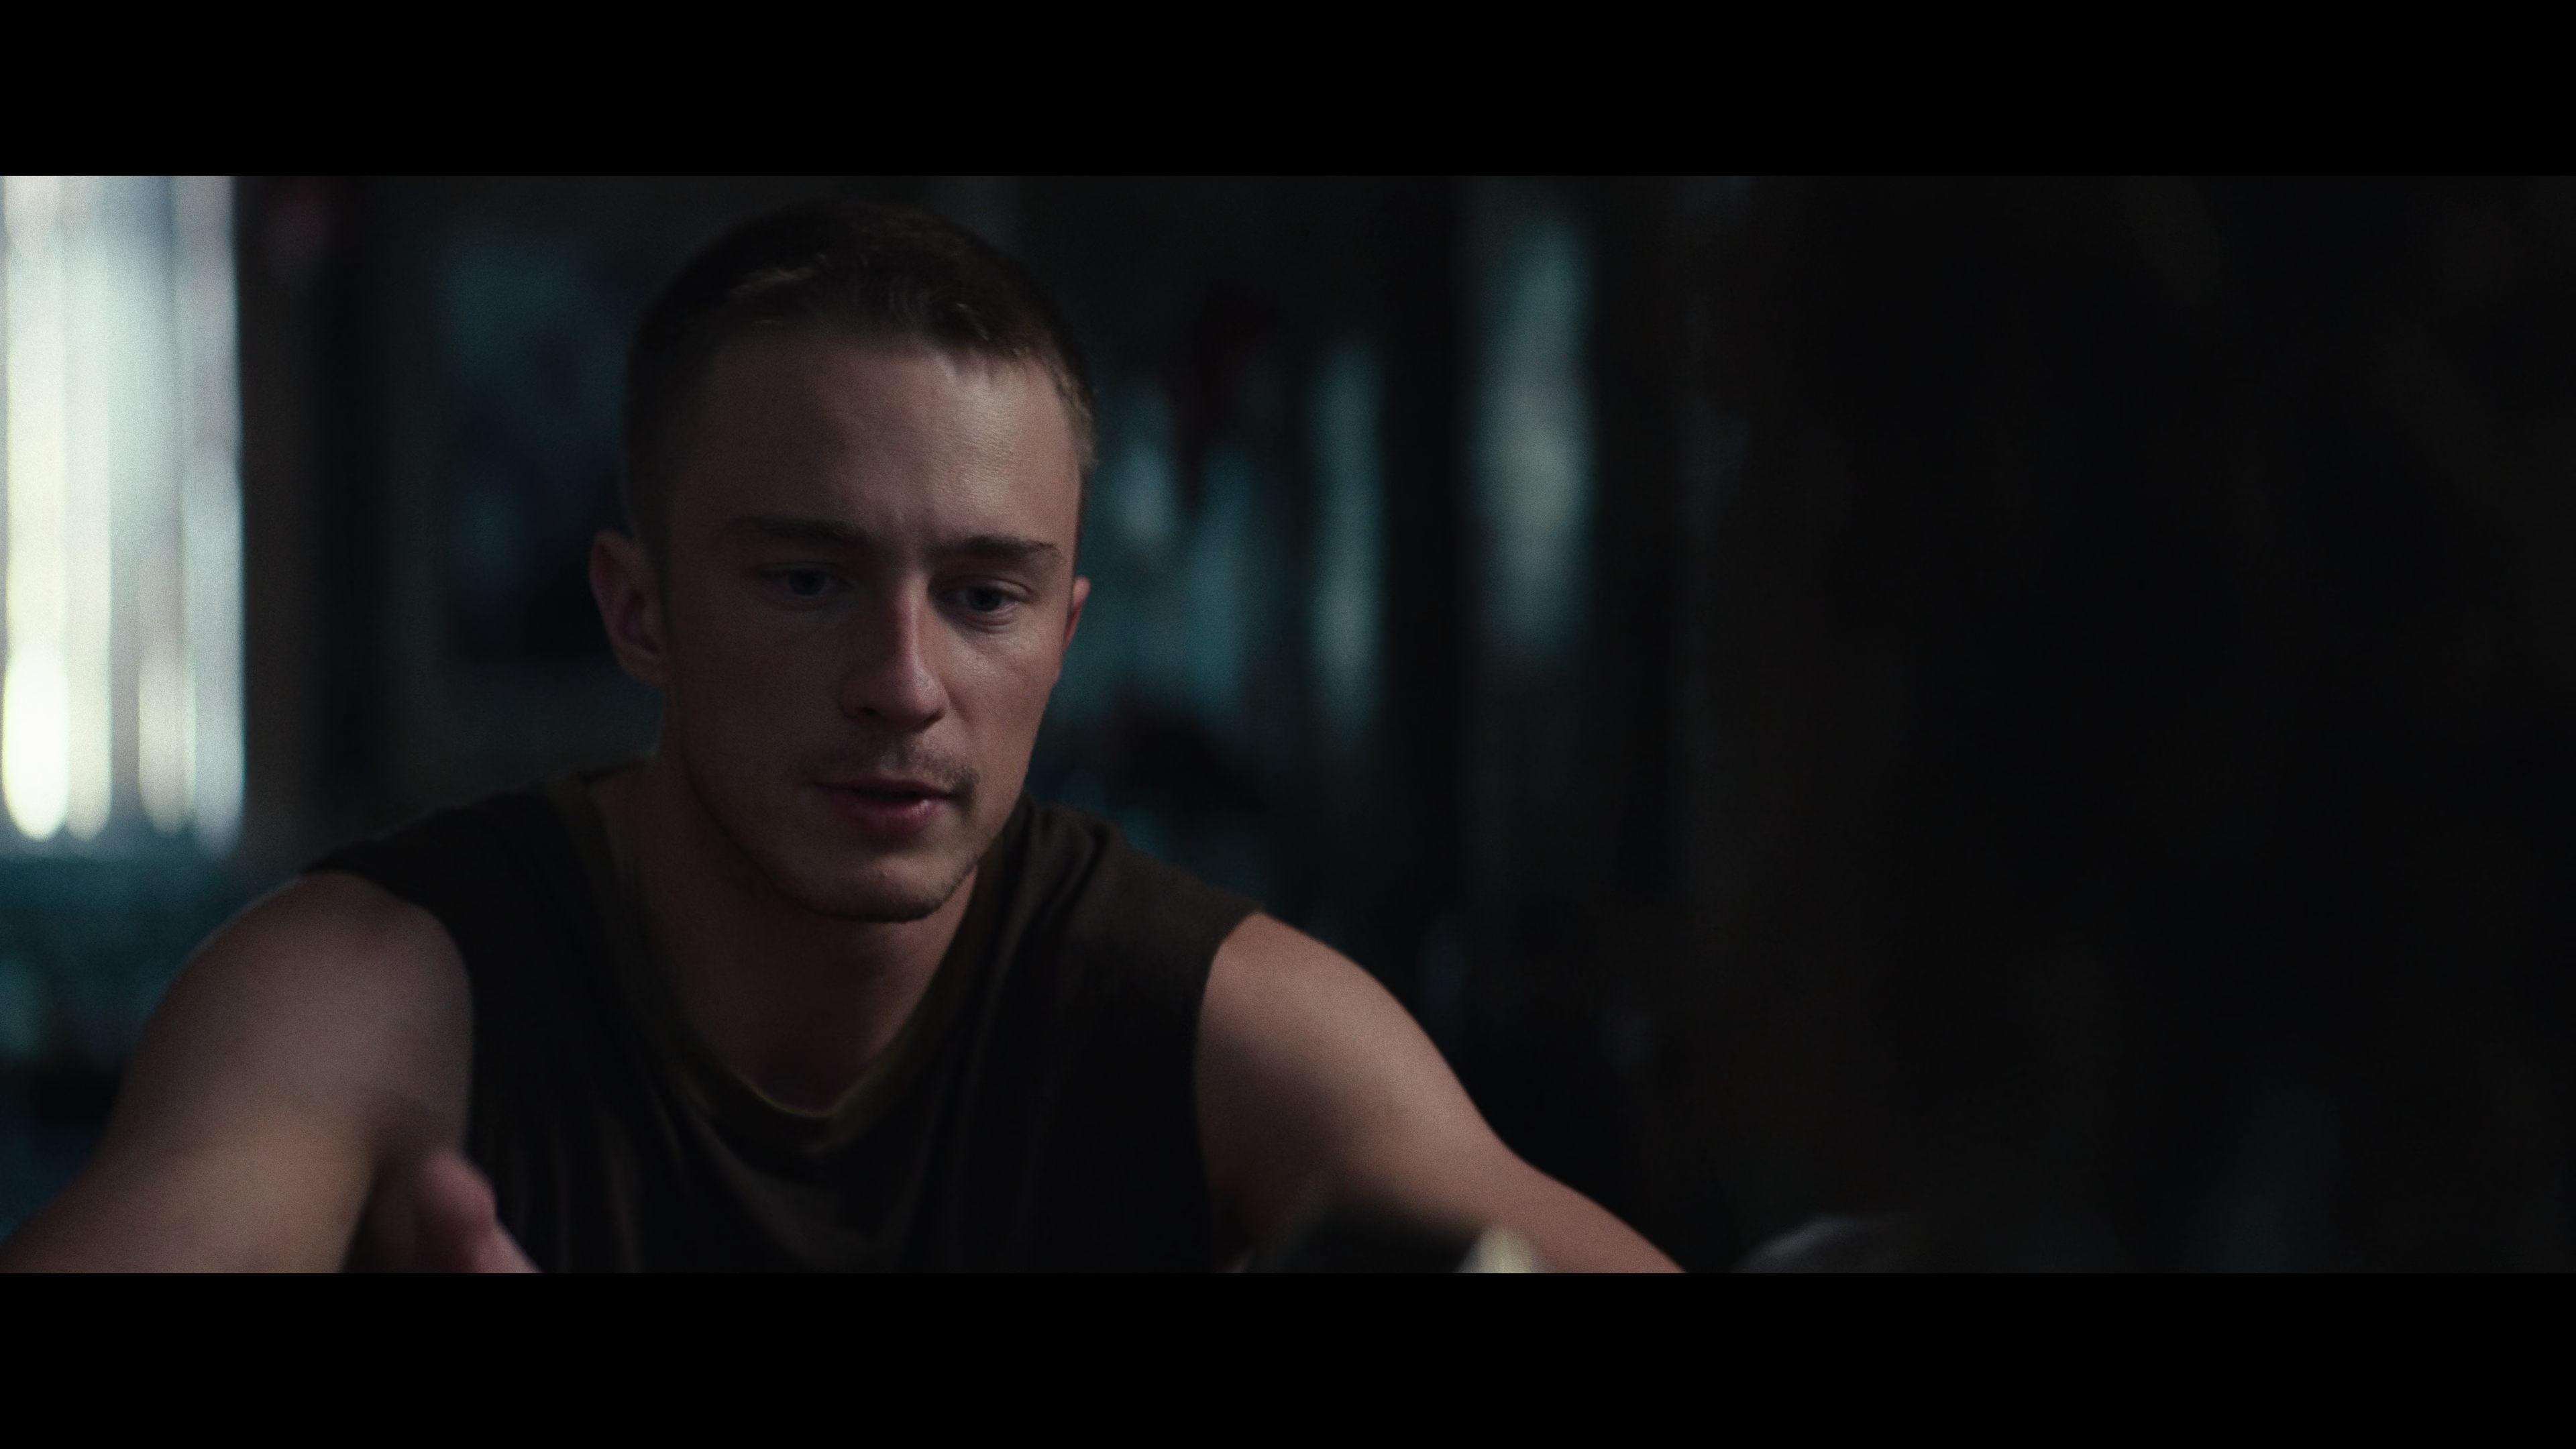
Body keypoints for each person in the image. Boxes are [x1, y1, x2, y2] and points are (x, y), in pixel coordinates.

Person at [1, 201, 1673, 1272]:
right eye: (808, 581)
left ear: (1066, 634)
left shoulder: (1222, 1019)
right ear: (640, 611)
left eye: (986, 596)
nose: (903, 682)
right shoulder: (377, 992)